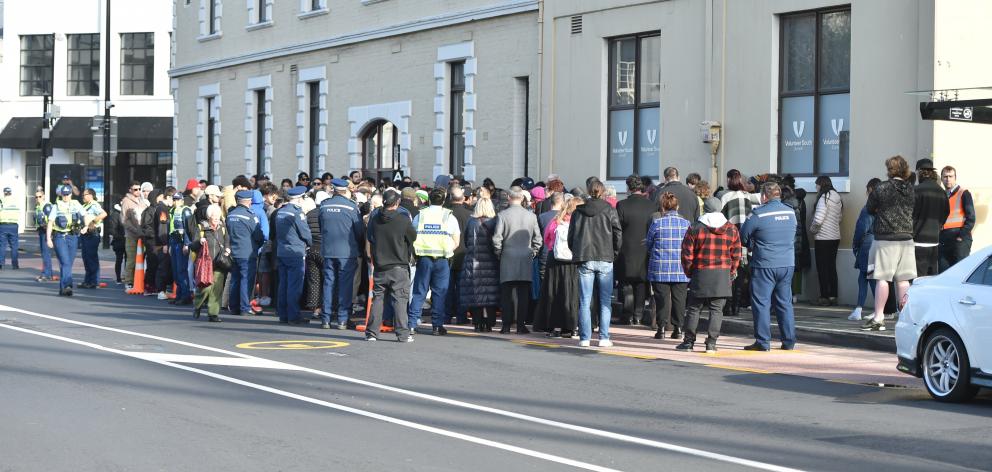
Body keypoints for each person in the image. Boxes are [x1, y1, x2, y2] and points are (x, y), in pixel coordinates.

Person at [676, 197, 741, 353]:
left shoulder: (695, 228)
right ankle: (711, 343)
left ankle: (689, 342)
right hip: (722, 273)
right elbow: (736, 254)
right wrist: (731, 271)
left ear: (705, 208)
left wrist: (690, 272)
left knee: (694, 308)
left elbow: (686, 254)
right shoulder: (732, 228)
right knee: (716, 310)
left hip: (701, 271)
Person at [740, 182, 798, 351]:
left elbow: (743, 237)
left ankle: (763, 342)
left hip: (765, 264)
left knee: (761, 303)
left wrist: (753, 242)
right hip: (787, 263)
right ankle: (789, 341)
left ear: (764, 196)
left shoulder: (758, 214)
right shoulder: (790, 212)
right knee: (784, 303)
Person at [863, 156, 916, 332]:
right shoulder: (911, 189)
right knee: (903, 280)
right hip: (907, 239)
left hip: (886, 238)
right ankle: (905, 317)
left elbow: (870, 208)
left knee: (883, 279)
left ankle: (879, 318)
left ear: (889, 169)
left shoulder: (881, 188)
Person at [568, 180, 622, 347]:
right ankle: (604, 337)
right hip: (605, 257)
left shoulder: (578, 212)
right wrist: (614, 253)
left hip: (585, 257)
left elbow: (571, 237)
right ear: (602, 191)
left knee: (585, 300)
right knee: (605, 301)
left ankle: (585, 338)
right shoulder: (609, 210)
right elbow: (617, 234)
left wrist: (577, 252)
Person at [365, 189, 416, 342]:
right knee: (400, 299)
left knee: (378, 299)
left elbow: (370, 238)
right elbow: (413, 237)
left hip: (380, 265)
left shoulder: (375, 219)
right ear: (397, 203)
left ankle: (372, 333)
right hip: (399, 265)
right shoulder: (403, 220)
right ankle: (402, 334)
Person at [408, 187, 460, 335]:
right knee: (439, 293)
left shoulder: (421, 215)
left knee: (419, 292)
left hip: (424, 258)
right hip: (442, 259)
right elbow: (456, 241)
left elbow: (413, 235)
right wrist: (447, 250)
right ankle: (437, 326)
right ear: (444, 200)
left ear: (429, 199)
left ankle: (411, 324)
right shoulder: (449, 216)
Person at [492, 188, 543, 334]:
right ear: (522, 198)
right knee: (523, 294)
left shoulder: (502, 215)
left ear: (509, 197)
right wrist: (533, 252)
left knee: (507, 294)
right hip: (525, 257)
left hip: (508, 256)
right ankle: (521, 325)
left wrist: (499, 253)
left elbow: (497, 238)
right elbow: (538, 239)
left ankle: (506, 325)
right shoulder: (531, 216)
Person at [319, 179, 365, 330]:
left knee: (328, 284)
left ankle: (325, 319)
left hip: (328, 250)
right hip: (347, 252)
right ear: (345, 190)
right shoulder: (351, 207)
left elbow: (321, 226)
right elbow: (359, 231)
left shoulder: (324, 205)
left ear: (333, 189)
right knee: (345, 286)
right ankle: (342, 319)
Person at [646, 192, 691, 340]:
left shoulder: (657, 223)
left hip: (660, 267)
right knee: (680, 299)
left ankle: (662, 328)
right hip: (681, 267)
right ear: (677, 207)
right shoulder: (686, 224)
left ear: (663, 207)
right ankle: (678, 328)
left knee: (661, 299)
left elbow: (649, 243)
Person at [616, 174, 656, 325]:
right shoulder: (651, 206)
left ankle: (627, 315)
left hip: (626, 249)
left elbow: (617, 229)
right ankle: (638, 315)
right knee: (641, 283)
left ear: (628, 188)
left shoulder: (622, 205)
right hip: (645, 248)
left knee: (626, 283)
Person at [542, 197, 581, 338]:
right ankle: (571, 327)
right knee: (571, 293)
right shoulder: (579, 222)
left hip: (555, 259)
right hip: (573, 261)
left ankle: (554, 327)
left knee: (554, 292)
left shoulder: (555, 221)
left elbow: (546, 239)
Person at [459, 197, 501, 332]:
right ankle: (489, 323)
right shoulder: (495, 222)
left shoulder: (471, 222)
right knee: (490, 293)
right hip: (491, 261)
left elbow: (466, 241)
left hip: (473, 260)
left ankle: (477, 323)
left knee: (475, 293)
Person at [273, 186, 313, 324]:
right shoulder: (297, 213)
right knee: (294, 286)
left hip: (282, 251)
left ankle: (283, 315)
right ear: (300, 198)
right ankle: (293, 316)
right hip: (295, 252)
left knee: (283, 285)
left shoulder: (281, 211)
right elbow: (306, 234)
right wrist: (310, 243)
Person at [226, 191, 264, 317]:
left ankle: (234, 306)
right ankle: (244, 307)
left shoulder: (230, 215)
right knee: (246, 280)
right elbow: (259, 236)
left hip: (234, 251)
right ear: (249, 202)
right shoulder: (250, 216)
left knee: (235, 279)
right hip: (247, 253)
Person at [190, 205, 231, 322]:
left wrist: (228, 249)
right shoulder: (201, 227)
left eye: (218, 216)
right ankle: (197, 305)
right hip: (205, 263)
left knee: (216, 289)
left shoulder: (222, 227)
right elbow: (193, 245)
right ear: (209, 216)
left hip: (219, 262)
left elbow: (227, 240)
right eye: (214, 216)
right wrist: (200, 241)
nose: (217, 218)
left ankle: (213, 314)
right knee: (205, 288)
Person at [850, 178, 881, 321]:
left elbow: (861, 229)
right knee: (869, 277)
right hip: (882, 243)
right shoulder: (885, 206)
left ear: (869, 189)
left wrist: (855, 245)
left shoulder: (868, 208)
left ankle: (863, 309)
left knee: (866, 277)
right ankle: (866, 309)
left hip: (868, 244)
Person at [912, 159, 949, 278]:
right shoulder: (941, 192)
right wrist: (938, 226)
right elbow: (946, 212)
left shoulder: (916, 190)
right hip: (934, 240)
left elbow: (910, 214)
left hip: (918, 241)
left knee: (918, 278)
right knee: (931, 277)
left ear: (919, 172)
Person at [810, 176, 843, 306]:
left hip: (823, 238)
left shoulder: (824, 198)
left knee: (822, 268)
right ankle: (833, 296)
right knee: (831, 267)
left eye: (816, 185)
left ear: (821, 184)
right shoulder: (837, 196)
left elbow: (818, 219)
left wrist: (812, 230)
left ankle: (824, 297)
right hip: (835, 237)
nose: (816, 187)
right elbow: (839, 218)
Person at [46, 185, 84, 296]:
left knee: (67, 264)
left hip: (72, 237)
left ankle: (62, 288)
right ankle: (68, 285)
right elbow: (50, 223)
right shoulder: (56, 206)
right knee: (66, 262)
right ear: (61, 194)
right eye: (64, 194)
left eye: (68, 194)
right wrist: (49, 239)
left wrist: (86, 226)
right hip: (59, 237)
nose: (66, 196)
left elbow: (85, 215)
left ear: (71, 194)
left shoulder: (76, 204)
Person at [938, 165, 976, 272]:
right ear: (941, 178)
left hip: (960, 239)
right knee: (944, 274)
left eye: (951, 176)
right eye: (945, 176)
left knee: (960, 273)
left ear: (955, 178)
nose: (948, 179)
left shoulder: (963, 193)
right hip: (945, 239)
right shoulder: (942, 195)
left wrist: (961, 236)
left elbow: (971, 218)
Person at [444, 185, 473, 325]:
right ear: (463, 198)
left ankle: (447, 315)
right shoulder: (469, 214)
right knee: (462, 288)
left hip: (448, 254)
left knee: (447, 288)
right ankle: (461, 317)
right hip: (464, 254)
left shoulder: (445, 214)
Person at [120, 182, 148, 290]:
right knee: (131, 259)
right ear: (130, 190)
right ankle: (129, 281)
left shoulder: (142, 201)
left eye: (139, 189)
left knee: (142, 259)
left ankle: (140, 280)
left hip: (142, 235)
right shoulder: (126, 201)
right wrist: (135, 230)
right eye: (135, 189)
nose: (138, 191)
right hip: (131, 235)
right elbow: (124, 220)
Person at [78, 188, 107, 288]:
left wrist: (93, 222)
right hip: (85, 234)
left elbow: (103, 214)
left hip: (92, 234)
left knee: (91, 258)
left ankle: (94, 281)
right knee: (86, 258)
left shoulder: (94, 205)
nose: (83, 197)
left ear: (91, 195)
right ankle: (87, 280)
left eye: (85, 195)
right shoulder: (85, 205)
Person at [168, 191, 193, 305]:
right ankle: (179, 295)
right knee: (175, 270)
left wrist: (187, 244)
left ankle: (185, 295)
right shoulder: (172, 210)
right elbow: (170, 229)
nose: (176, 201)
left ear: (182, 200)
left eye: (178, 199)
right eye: (174, 199)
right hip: (173, 241)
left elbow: (188, 228)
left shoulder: (185, 210)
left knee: (182, 270)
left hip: (181, 242)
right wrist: (169, 245)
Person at [33, 190, 54, 281]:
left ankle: (46, 274)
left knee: (46, 253)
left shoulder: (47, 205)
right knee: (45, 253)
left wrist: (48, 230)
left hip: (46, 231)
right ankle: (47, 273)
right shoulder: (38, 206)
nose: (38, 199)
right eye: (36, 197)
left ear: (44, 196)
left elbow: (51, 219)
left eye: (40, 196)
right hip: (42, 230)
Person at [0, 187, 20, 270]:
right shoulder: (16, 200)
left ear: (4, 193)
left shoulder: (1, 200)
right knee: (14, 246)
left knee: (2, 245)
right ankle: (15, 264)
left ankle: (1, 263)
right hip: (13, 225)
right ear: (10, 193)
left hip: (3, 225)